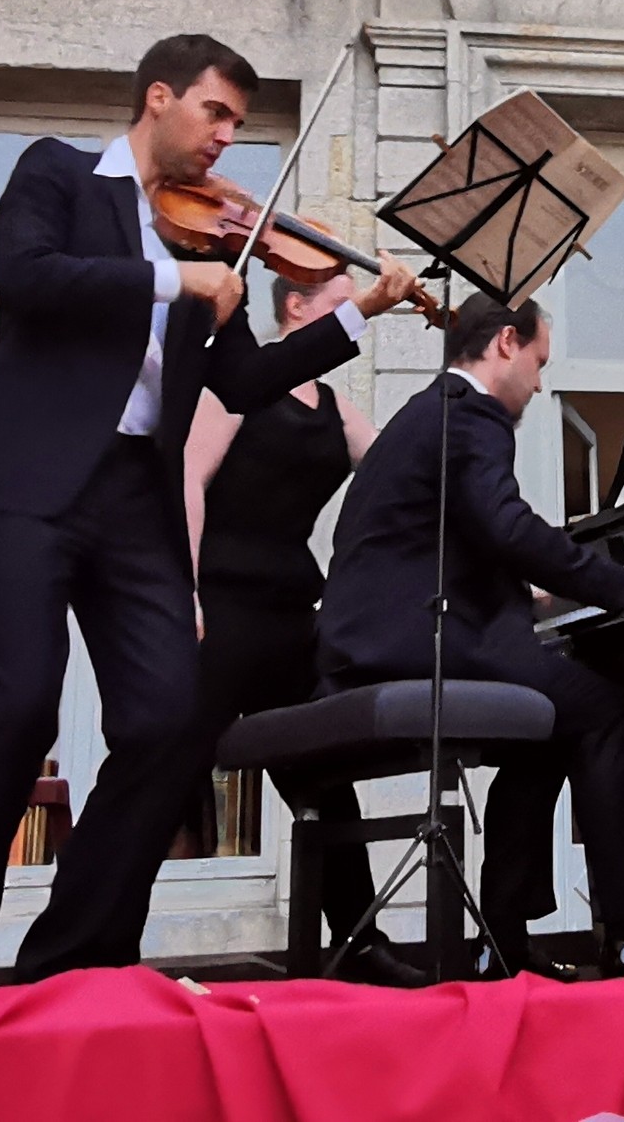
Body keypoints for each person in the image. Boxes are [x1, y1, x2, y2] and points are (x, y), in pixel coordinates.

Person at [0, 33, 424, 987]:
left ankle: (74, 954)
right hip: (25, 480)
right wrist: (166, 278)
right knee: (17, 706)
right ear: (159, 98)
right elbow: (25, 275)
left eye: (236, 120)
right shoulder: (58, 174)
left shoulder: (208, 239)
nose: (227, 138)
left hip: (131, 497)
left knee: (164, 717)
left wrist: (357, 317)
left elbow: (247, 376)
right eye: (215, 112)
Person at [314, 292, 624, 976]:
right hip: (413, 645)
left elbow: (448, 542)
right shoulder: (474, 416)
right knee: (604, 706)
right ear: (504, 344)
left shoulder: (424, 413)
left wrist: (538, 591)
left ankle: (502, 942)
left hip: (370, 640)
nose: (540, 381)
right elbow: (508, 525)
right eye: (539, 360)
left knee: (546, 722)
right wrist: (616, 580)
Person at [166, 272, 425, 988]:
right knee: (164, 766)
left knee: (324, 775)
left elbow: (398, 469)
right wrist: (182, 590)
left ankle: (359, 942)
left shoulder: (338, 407)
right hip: (219, 606)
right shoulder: (243, 384)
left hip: (290, 614)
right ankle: (93, 934)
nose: (351, 313)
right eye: (340, 301)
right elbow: (187, 475)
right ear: (298, 307)